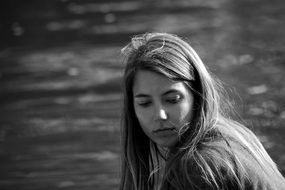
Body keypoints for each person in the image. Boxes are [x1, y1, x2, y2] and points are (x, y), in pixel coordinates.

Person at [119, 32, 285, 190]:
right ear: (132, 108)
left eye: (172, 100)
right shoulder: (233, 135)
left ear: (197, 95)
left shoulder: (198, 168)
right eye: (145, 103)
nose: (160, 115)